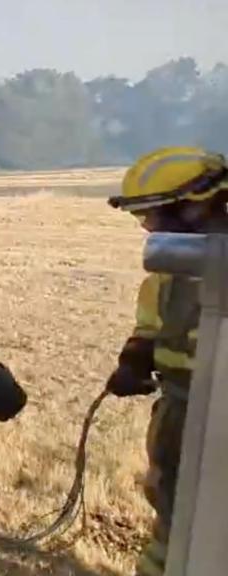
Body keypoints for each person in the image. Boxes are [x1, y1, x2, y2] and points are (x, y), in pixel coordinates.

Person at [106, 146, 228, 576]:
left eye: (154, 216)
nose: (148, 229)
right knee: (172, 500)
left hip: (218, 411)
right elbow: (151, 322)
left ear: (197, 209)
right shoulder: (169, 272)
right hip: (178, 402)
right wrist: (134, 360)